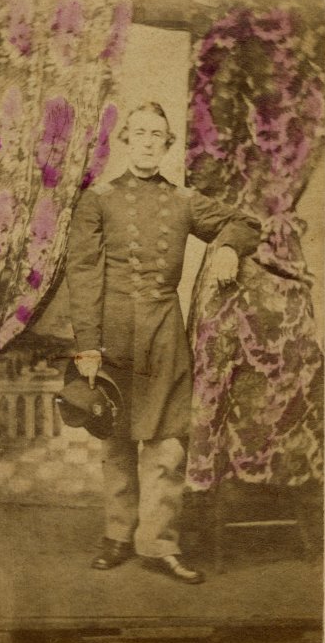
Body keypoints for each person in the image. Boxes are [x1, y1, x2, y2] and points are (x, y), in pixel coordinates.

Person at [65, 102, 260, 583]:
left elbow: (245, 223)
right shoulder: (98, 199)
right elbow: (84, 275)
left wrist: (228, 248)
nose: (148, 142)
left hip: (164, 332)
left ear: (168, 144)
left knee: (167, 443)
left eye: (158, 135)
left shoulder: (184, 200)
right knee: (115, 439)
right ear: (126, 141)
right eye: (140, 133)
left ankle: (158, 544)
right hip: (111, 333)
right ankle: (117, 535)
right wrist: (87, 345)